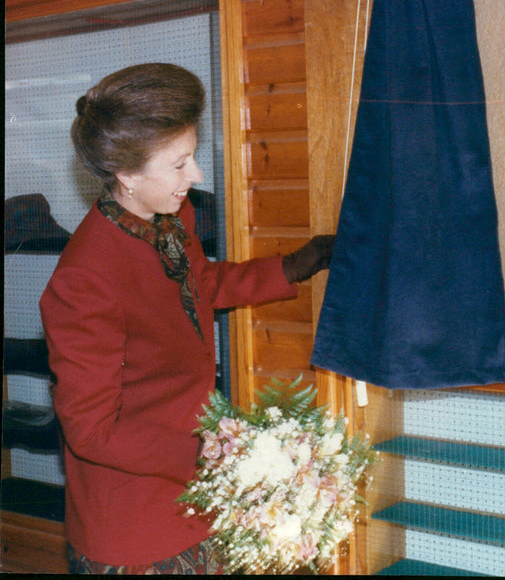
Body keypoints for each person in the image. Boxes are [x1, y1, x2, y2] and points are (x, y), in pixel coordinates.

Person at [39, 63, 334, 574]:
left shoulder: (171, 219)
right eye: (179, 164)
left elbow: (199, 285)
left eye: (192, 156)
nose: (195, 176)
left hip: (195, 500)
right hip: (134, 525)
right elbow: (91, 432)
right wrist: (213, 456)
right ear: (127, 175)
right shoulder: (84, 279)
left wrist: (296, 265)